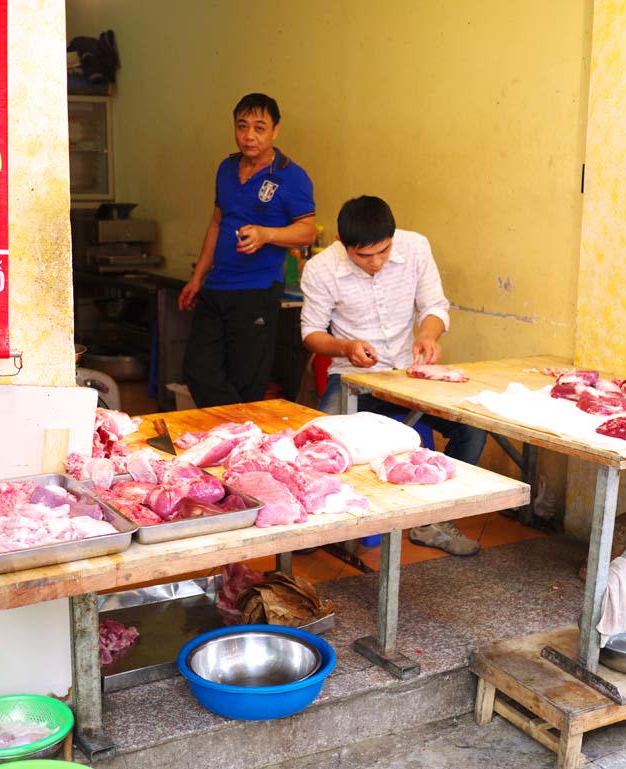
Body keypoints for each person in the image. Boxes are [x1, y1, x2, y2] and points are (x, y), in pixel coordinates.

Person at [300, 195, 487, 556]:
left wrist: (428, 334)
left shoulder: (416, 248)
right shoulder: (321, 269)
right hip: (352, 376)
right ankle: (318, 523)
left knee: (473, 428)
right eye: (364, 256)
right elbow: (311, 333)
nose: (377, 262)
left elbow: (435, 306)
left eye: (384, 251)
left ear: (393, 237)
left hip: (408, 374)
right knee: (317, 442)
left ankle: (433, 518)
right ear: (343, 245)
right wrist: (346, 347)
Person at [179, 93, 317, 407]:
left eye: (259, 128)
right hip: (217, 286)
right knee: (198, 371)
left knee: (246, 381)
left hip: (256, 290)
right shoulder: (226, 168)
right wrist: (198, 277)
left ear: (275, 130)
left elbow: (307, 231)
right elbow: (217, 223)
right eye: (242, 127)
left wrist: (266, 234)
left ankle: (238, 441)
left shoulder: (292, 176)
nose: (249, 136)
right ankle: (238, 427)